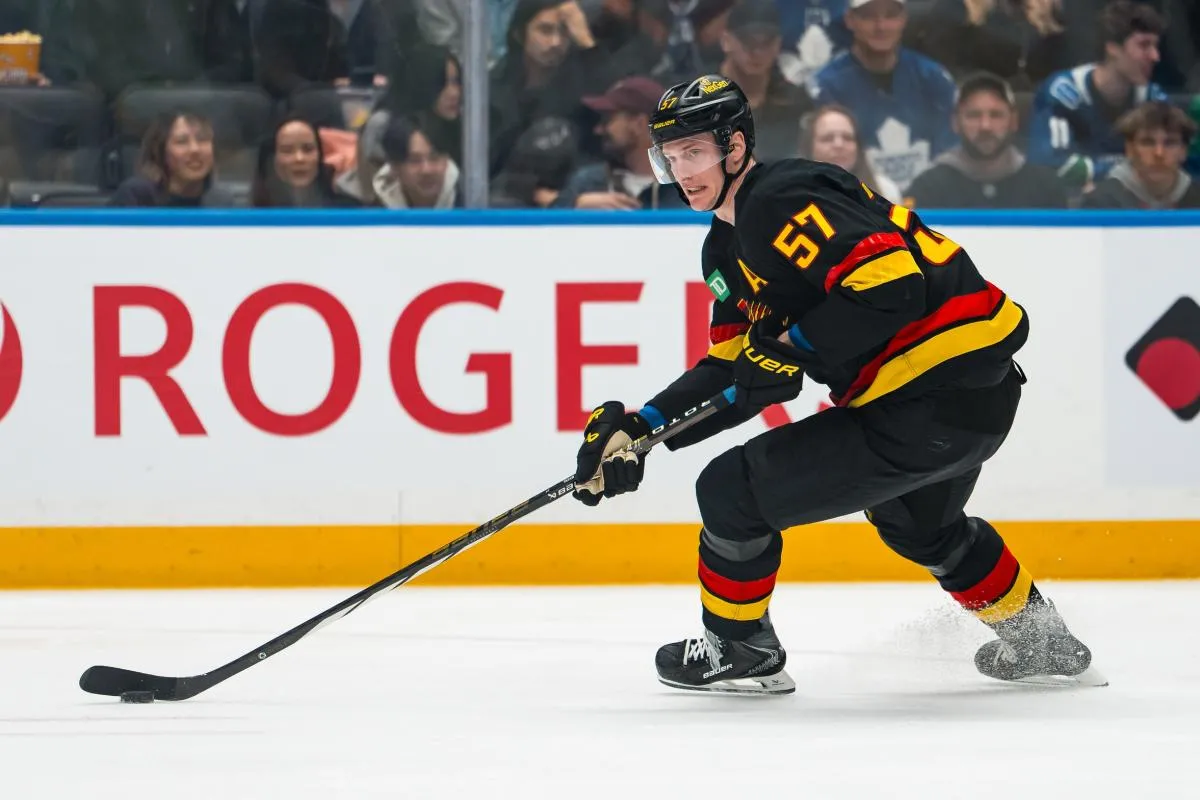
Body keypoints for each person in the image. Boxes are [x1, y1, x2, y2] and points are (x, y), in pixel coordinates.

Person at [571, 73, 1099, 695]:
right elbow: (742, 374)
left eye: (696, 152)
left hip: (925, 399)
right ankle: (1042, 641)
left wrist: (793, 347)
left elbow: (890, 287)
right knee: (918, 524)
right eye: (672, 156)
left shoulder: (778, 199)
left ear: (735, 146)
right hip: (976, 399)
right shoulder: (725, 248)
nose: (683, 169)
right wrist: (642, 428)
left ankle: (739, 646)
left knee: (729, 491)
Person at [906, 72, 1067, 208]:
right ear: (955, 122)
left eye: (996, 115)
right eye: (974, 115)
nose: (985, 126)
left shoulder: (1047, 187)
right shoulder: (928, 188)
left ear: (1014, 121)